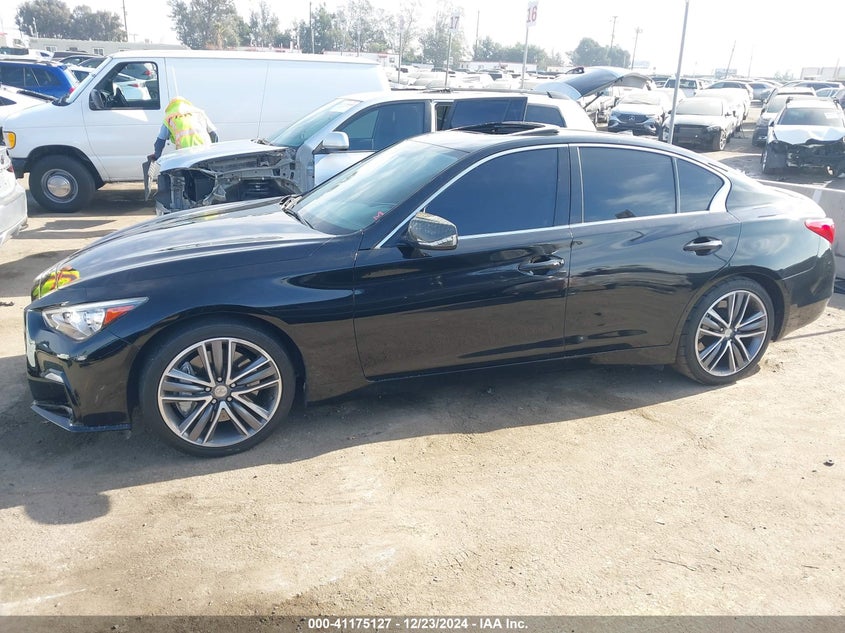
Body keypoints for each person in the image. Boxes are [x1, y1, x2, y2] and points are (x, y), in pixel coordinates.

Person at [149, 96, 218, 161]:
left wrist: (156, 156)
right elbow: (214, 134)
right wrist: (212, 151)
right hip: (204, 152)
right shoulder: (199, 113)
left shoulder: (169, 118)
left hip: (184, 154)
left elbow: (160, 141)